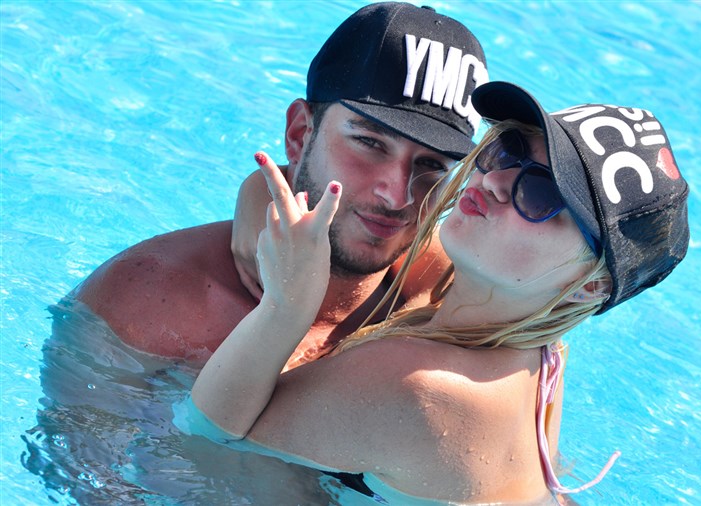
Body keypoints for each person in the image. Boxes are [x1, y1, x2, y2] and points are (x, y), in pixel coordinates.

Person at [186, 82, 690, 504]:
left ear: (591, 285)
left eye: (542, 194)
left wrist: (283, 308)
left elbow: (208, 433)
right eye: (507, 150)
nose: (495, 180)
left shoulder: (421, 387)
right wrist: (260, 190)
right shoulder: (543, 354)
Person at [70, 2, 489, 363]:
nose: (397, 195)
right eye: (369, 143)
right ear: (299, 134)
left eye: (432, 164)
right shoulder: (147, 306)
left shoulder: (449, 299)